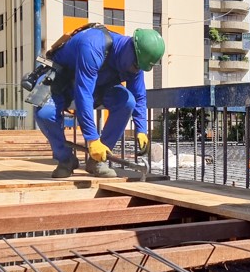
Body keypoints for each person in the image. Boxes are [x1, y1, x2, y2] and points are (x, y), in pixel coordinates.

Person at [35, 25, 165, 179]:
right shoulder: (93, 45)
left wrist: (142, 129)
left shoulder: (136, 61)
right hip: (63, 81)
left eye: (140, 68)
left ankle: (97, 160)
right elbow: (84, 94)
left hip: (98, 84)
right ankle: (65, 159)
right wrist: (92, 139)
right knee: (44, 113)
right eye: (136, 66)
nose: (136, 70)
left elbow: (139, 96)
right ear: (131, 48)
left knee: (127, 102)